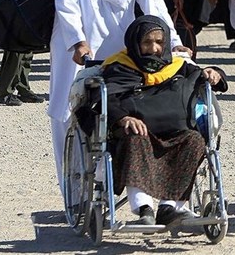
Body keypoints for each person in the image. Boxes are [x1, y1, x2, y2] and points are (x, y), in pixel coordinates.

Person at [49, 0, 187, 186]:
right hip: (75, 48)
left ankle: (104, 184)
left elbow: (154, 5)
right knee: (66, 115)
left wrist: (173, 42)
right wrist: (77, 39)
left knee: (113, 116)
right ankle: (72, 191)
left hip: (116, 53)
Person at [96, 15, 228, 226]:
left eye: (159, 42)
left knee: (194, 140)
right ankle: (144, 208)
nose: (154, 48)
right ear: (135, 43)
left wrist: (215, 73)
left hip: (176, 131)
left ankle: (170, 207)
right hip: (138, 132)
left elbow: (204, 76)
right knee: (135, 138)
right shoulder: (119, 67)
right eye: (147, 42)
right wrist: (123, 118)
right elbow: (105, 99)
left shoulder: (177, 65)